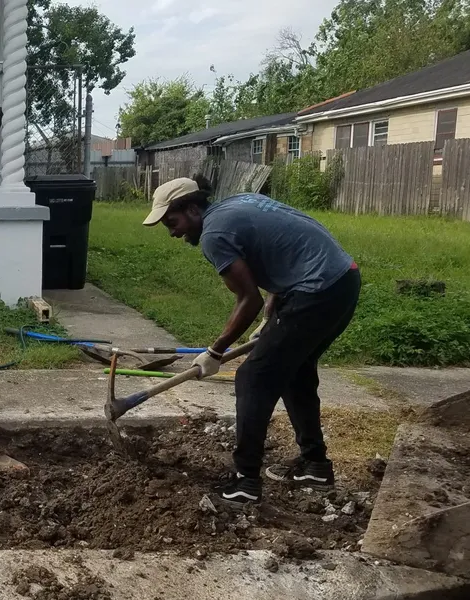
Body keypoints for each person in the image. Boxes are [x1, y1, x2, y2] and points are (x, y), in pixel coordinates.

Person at [142, 176, 361, 506]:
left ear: (191, 208)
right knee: (294, 371)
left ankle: (246, 482)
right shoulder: (237, 203)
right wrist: (274, 311)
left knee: (253, 377)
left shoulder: (214, 235)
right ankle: (315, 466)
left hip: (316, 290)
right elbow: (281, 247)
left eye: (172, 222)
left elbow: (248, 299)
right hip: (342, 279)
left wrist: (215, 351)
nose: (173, 232)